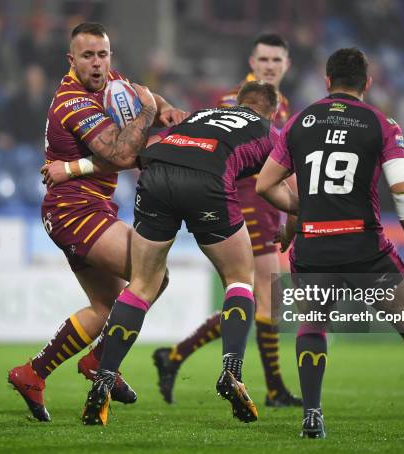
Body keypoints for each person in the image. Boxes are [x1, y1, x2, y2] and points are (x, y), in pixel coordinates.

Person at [255, 47, 404, 442]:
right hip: (365, 248)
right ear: (367, 83)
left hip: (313, 246)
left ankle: (312, 419)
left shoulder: (300, 122)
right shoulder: (380, 123)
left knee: (312, 323)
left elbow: (265, 184)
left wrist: (304, 212)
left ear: (327, 80)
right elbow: (403, 189)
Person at [7, 22, 187, 422]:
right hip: (76, 211)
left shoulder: (109, 81)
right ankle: (101, 361)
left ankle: (33, 374)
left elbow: (141, 95)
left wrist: (164, 107)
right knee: (153, 276)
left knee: (105, 306)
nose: (97, 63)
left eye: (102, 55)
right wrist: (151, 116)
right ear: (72, 60)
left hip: (85, 207)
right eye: (87, 56)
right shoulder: (73, 102)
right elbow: (122, 155)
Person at [81, 81, 279, 426]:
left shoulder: (201, 114)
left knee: (142, 284)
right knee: (239, 281)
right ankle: (232, 372)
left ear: (236, 102)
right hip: (207, 181)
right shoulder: (269, 131)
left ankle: (103, 379)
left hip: (157, 173)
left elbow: (151, 147)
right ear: (271, 111)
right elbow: (276, 184)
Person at [152, 32, 302, 408]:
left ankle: (174, 356)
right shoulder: (232, 102)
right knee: (264, 294)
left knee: (257, 297)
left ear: (286, 65)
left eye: (276, 60)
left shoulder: (281, 104)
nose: (269, 66)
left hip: (269, 204)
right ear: (251, 63)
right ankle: (273, 389)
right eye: (263, 59)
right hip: (241, 199)